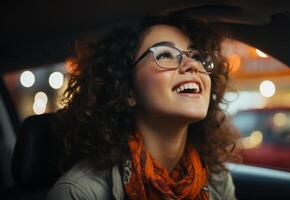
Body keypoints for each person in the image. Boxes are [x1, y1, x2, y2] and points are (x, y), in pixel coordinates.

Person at [47, 15, 237, 200]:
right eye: (164, 55)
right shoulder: (79, 193)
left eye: (196, 55)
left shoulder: (216, 180)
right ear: (127, 90)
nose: (192, 65)